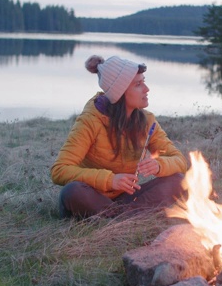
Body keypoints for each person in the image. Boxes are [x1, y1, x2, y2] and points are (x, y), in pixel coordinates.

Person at [51, 55, 187, 219]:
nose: (146, 89)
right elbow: (60, 170)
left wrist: (159, 165)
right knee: (72, 192)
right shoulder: (90, 121)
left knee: (178, 180)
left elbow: (179, 161)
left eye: (143, 81)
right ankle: (127, 217)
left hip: (126, 199)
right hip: (92, 196)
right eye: (138, 84)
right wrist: (110, 180)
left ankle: (118, 218)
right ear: (119, 93)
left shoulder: (147, 121)